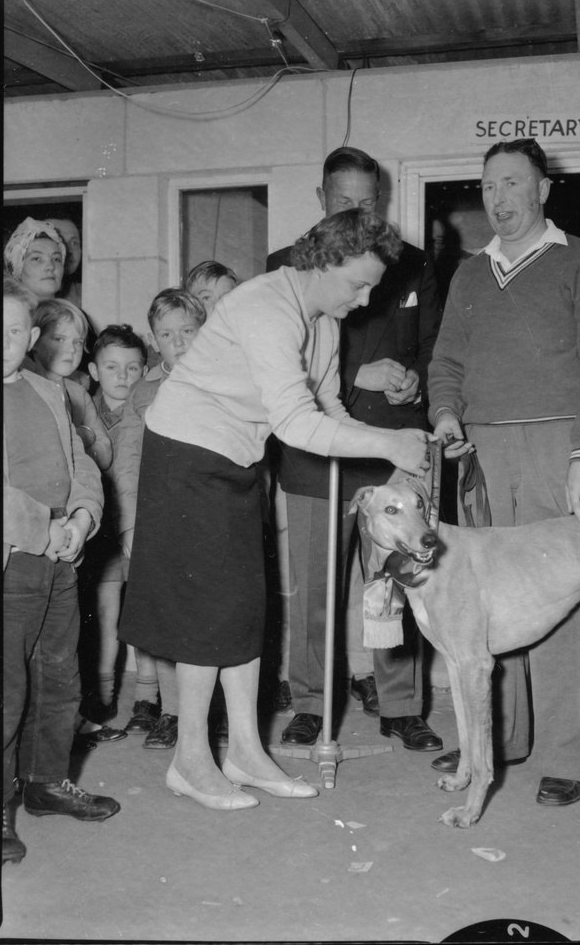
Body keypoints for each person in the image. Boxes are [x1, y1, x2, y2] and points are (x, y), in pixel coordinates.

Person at [118, 209, 434, 811]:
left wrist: (387, 456)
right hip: (186, 454)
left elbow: (329, 410)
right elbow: (293, 423)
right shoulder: (267, 306)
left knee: (243, 606)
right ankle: (189, 761)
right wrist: (387, 443)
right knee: (204, 612)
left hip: (237, 458)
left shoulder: (324, 320)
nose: (366, 298)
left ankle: (244, 750)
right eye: (357, 284)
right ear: (320, 263)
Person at [427, 138, 580, 806]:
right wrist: (446, 416)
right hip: (482, 452)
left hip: (560, 448)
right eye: (488, 186)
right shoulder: (467, 273)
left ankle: (566, 754)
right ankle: (499, 739)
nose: (498, 199)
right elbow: (446, 364)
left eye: (512, 183)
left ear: (542, 189)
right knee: (483, 604)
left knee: (564, 597)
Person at [268, 146, 444, 753]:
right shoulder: (282, 267)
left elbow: (435, 345)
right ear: (321, 200)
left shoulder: (415, 264)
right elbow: (283, 368)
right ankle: (313, 702)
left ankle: (400, 704)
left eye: (368, 202)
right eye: (344, 202)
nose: (357, 212)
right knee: (316, 584)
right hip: (316, 446)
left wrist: (417, 377)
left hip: (392, 451)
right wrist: (356, 376)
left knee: (396, 580)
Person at [2, 276, 120, 866]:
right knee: (2, 692)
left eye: (18, 330)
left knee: (60, 677)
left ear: (33, 337)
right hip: (5, 566)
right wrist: (40, 527)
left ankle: (46, 782)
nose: (6, 339)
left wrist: (80, 517)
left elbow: (81, 464)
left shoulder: (48, 391)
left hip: (60, 557)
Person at [112, 289, 207, 746]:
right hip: (159, 522)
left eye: (188, 330)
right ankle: (172, 711)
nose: (180, 342)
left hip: (212, 520)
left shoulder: (226, 382)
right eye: (167, 334)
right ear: (154, 340)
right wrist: (129, 523)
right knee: (168, 618)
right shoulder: (143, 393)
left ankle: (211, 714)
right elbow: (126, 464)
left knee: (213, 618)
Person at [81, 325, 148, 725]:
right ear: (94, 370)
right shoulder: (80, 409)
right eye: (112, 367)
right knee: (105, 615)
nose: (123, 377)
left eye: (133, 367)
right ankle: (103, 695)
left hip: (142, 526)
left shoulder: (150, 409)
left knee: (144, 614)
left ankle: (147, 698)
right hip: (102, 534)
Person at [30, 299, 112, 472]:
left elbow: (105, 450)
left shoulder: (78, 393)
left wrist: (80, 455)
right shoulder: (24, 388)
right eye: (59, 339)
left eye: (78, 342)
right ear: (34, 341)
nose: (71, 349)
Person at [4, 218, 66, 301]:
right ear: (17, 270)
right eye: (37, 259)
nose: (51, 266)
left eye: (56, 259)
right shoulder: (8, 312)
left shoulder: (71, 313)